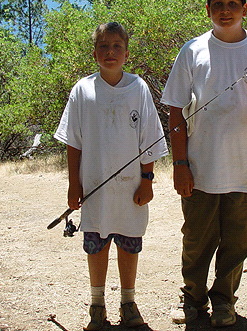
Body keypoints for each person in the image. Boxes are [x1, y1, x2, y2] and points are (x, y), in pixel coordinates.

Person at [161, 0, 247, 328]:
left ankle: (224, 301)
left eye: (233, 4)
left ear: (245, 9)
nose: (225, 10)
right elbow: (175, 110)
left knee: (237, 242)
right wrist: (180, 163)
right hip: (201, 166)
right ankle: (192, 299)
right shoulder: (193, 51)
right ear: (207, 9)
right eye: (218, 4)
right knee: (196, 239)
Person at [54, 22, 168, 330]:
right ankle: (97, 305)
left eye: (117, 46)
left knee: (129, 242)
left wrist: (147, 180)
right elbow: (73, 142)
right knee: (96, 242)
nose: (110, 52)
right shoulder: (82, 90)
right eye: (103, 46)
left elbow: (149, 139)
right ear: (94, 53)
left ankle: (128, 303)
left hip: (131, 188)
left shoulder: (138, 88)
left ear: (127, 54)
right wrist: (74, 185)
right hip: (94, 186)